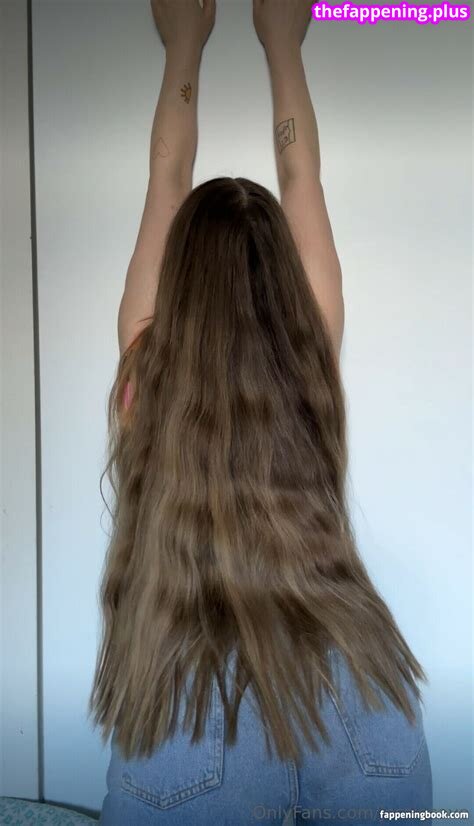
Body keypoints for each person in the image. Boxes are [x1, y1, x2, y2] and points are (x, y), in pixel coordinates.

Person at [89, 1, 433, 824]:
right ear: (283, 277)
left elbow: (167, 180)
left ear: (178, 280)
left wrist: (184, 45)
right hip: (358, 689)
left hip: (187, 695)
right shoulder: (308, 350)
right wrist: (283, 41)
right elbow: (301, 179)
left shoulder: (146, 365)